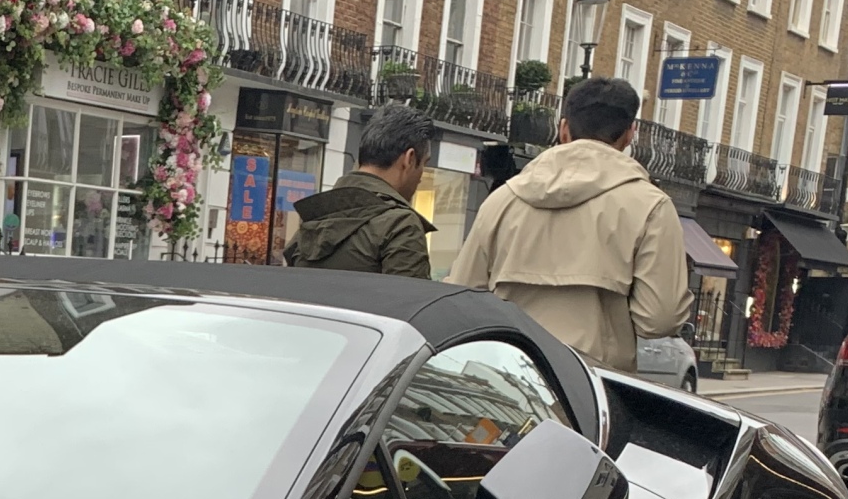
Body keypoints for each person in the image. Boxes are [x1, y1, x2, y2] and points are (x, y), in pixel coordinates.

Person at [450, 75, 693, 372]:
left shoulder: (503, 200)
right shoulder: (652, 207)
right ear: (630, 133)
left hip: (506, 382)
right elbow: (659, 319)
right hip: (593, 385)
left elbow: (462, 297)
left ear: (563, 129)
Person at [284, 104, 437, 277]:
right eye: (424, 163)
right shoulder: (400, 225)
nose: (421, 175)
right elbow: (411, 300)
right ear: (409, 159)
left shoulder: (317, 215)